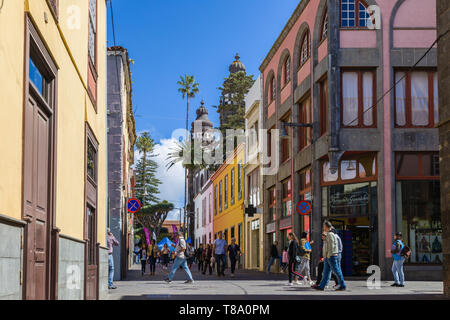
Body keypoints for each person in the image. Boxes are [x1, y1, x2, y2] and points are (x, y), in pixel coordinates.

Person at [313, 221, 346, 291]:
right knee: (326, 272)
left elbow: (331, 247)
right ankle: (322, 286)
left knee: (336, 271)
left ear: (326, 227)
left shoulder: (330, 234)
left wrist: (328, 255)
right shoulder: (329, 234)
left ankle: (343, 285)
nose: (323, 228)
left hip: (331, 256)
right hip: (328, 256)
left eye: (324, 226)